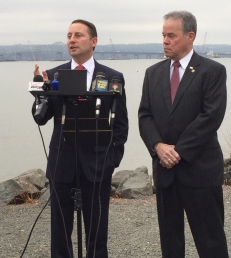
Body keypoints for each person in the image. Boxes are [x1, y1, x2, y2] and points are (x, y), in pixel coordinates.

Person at [31, 19, 128, 258]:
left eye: (78, 35)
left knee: (97, 230)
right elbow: (40, 119)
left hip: (97, 163)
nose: (72, 40)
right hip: (61, 163)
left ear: (93, 42)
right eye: (69, 36)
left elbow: (120, 123)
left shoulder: (112, 76)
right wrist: (40, 92)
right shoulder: (53, 75)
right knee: (60, 230)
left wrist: (113, 159)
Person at [138, 10, 229, 258]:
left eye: (171, 35)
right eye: (163, 35)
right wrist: (157, 146)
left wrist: (177, 151)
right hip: (165, 172)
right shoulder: (153, 73)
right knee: (171, 242)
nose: (165, 41)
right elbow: (145, 115)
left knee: (211, 242)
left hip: (200, 170)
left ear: (190, 36)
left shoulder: (212, 71)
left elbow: (211, 116)